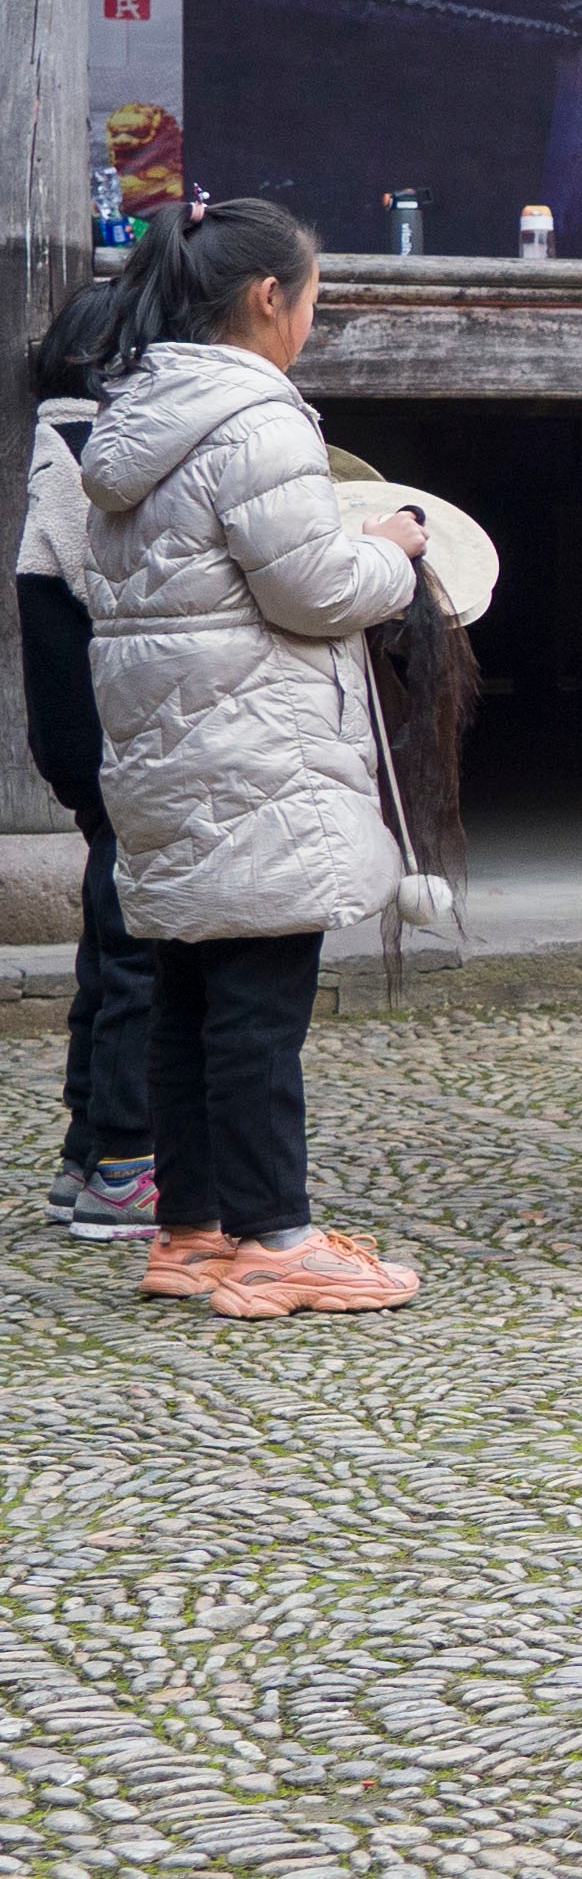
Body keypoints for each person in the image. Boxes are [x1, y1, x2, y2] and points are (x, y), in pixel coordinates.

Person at [74, 200, 433, 1317]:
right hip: (255, 754)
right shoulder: (256, 418)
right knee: (259, 1010)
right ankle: (277, 1234)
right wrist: (391, 553)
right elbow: (312, 588)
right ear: (270, 298)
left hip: (166, 749)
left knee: (185, 995)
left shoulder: (139, 421)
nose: (311, 320)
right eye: (312, 297)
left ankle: (187, 1232)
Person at [23, 276, 156, 1240]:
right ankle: (123, 1161)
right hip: (120, 738)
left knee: (108, 948)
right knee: (139, 951)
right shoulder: (94, 456)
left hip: (80, 741)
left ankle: (85, 1154)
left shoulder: (54, 448)